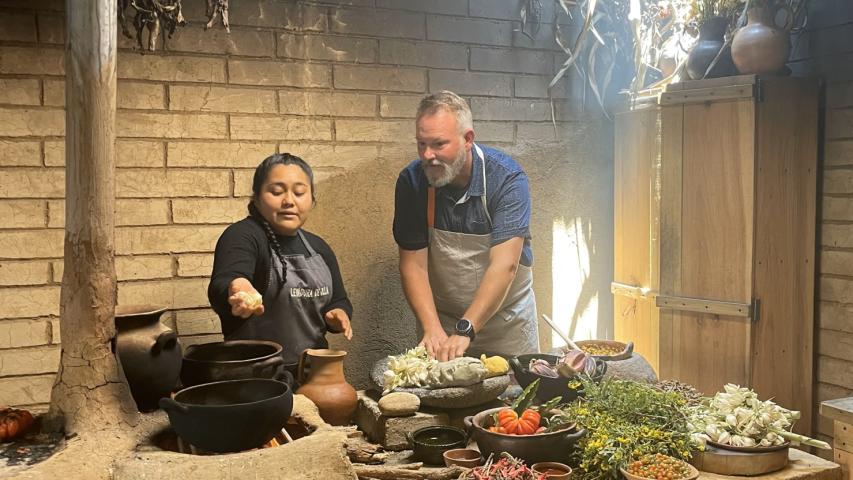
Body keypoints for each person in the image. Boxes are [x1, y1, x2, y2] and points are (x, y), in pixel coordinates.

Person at [393, 91, 539, 362]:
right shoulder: (412, 182)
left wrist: (467, 329)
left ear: (467, 139)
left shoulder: (507, 179)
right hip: (443, 325)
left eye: (438, 144)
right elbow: (413, 264)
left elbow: (505, 266)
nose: (428, 155)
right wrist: (432, 327)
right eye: (421, 144)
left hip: (507, 323)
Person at [208, 153, 353, 376]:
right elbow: (227, 279)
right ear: (256, 198)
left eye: (299, 192)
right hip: (256, 376)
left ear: (312, 198)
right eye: (276, 192)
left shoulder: (318, 247)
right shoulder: (243, 236)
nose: (289, 201)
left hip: (314, 373)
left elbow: (339, 299)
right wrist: (239, 288)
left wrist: (338, 314)